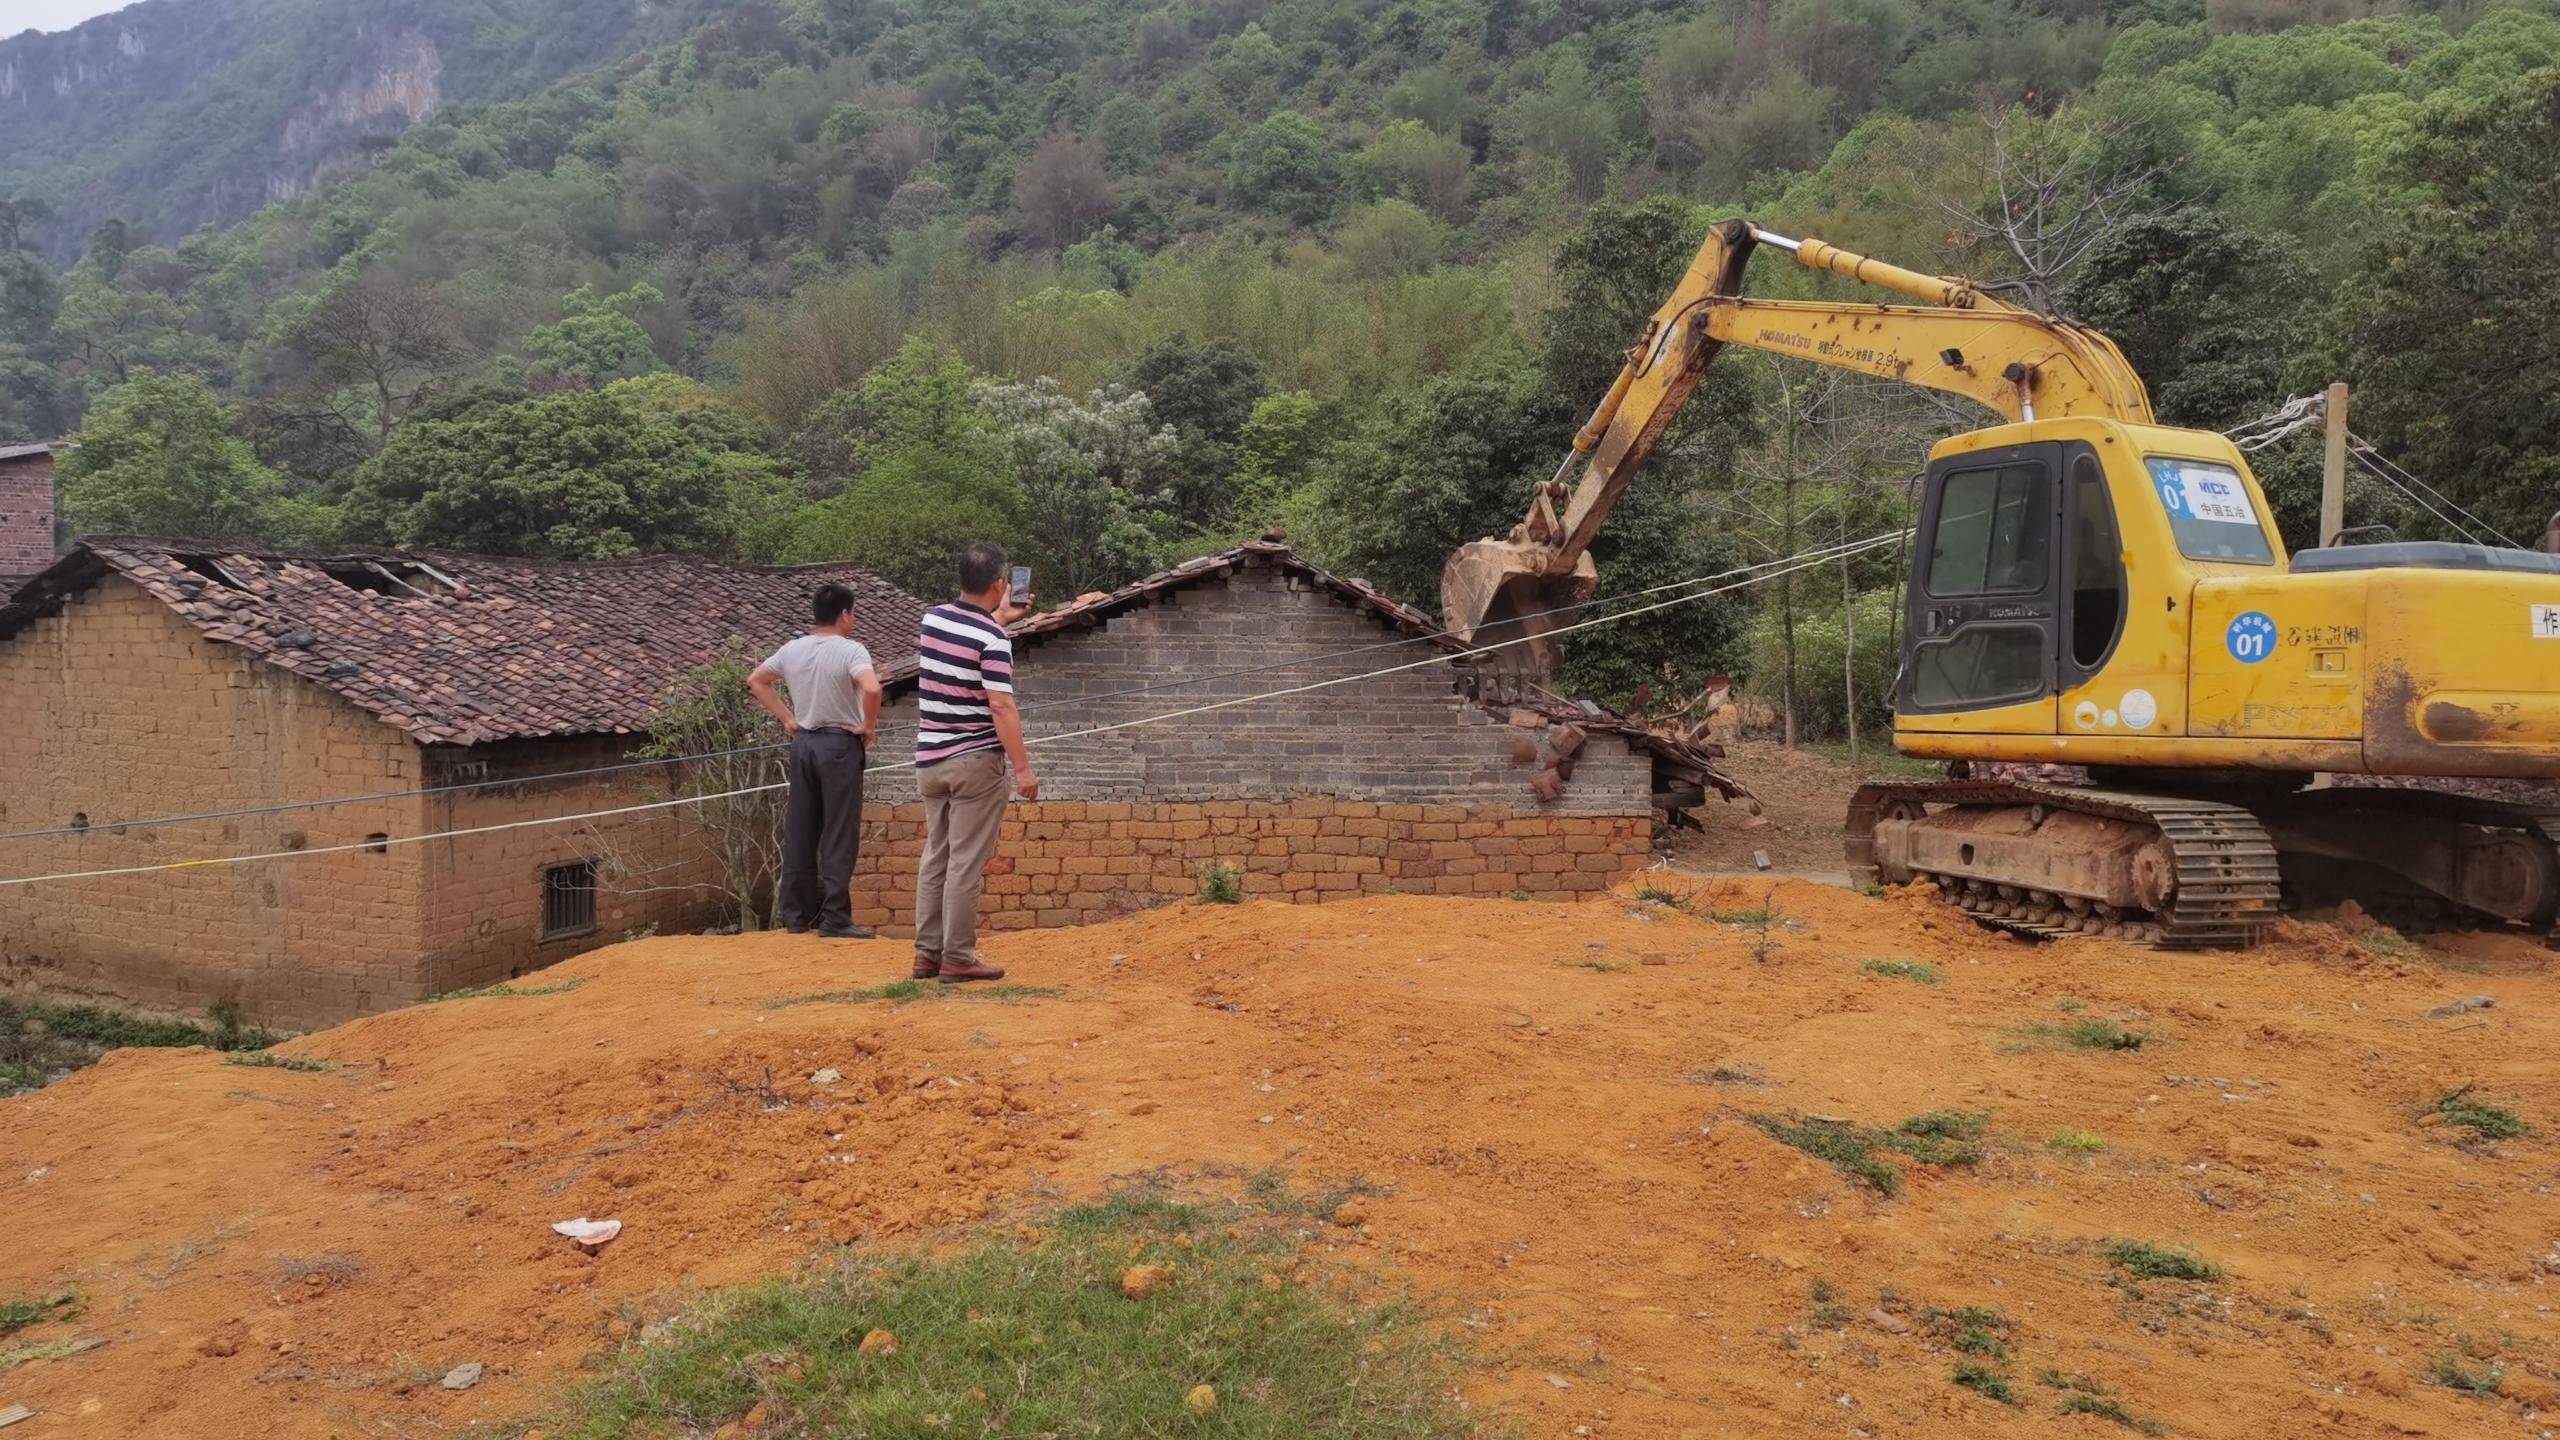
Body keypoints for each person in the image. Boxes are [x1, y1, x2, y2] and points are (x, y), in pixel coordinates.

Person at [912, 542, 1039, 983]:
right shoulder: (994, 641)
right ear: (1001, 584)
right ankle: (958, 958)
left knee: (937, 858)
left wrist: (998, 617)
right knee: (965, 862)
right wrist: (1023, 769)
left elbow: (964, 643)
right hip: (974, 762)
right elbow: (1002, 707)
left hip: (930, 761)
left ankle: (927, 955)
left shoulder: (932, 620)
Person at [748, 582, 883, 939]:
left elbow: (757, 680)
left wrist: (788, 718)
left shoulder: (793, 649)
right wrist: (868, 727)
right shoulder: (851, 650)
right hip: (839, 744)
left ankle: (796, 915)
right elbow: (872, 688)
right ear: (844, 615)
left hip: (803, 743)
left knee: (801, 827)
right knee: (839, 830)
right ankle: (835, 918)